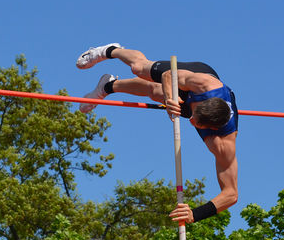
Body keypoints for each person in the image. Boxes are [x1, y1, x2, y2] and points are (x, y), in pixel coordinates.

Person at [76, 43, 238, 224]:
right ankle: (109, 51)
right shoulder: (204, 84)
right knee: (139, 68)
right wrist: (170, 98)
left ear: (213, 130)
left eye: (196, 123)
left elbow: (231, 194)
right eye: (193, 116)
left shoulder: (223, 145)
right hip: (191, 82)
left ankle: (108, 86)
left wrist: (195, 214)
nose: (191, 121)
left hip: (193, 103)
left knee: (153, 91)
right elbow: (169, 75)